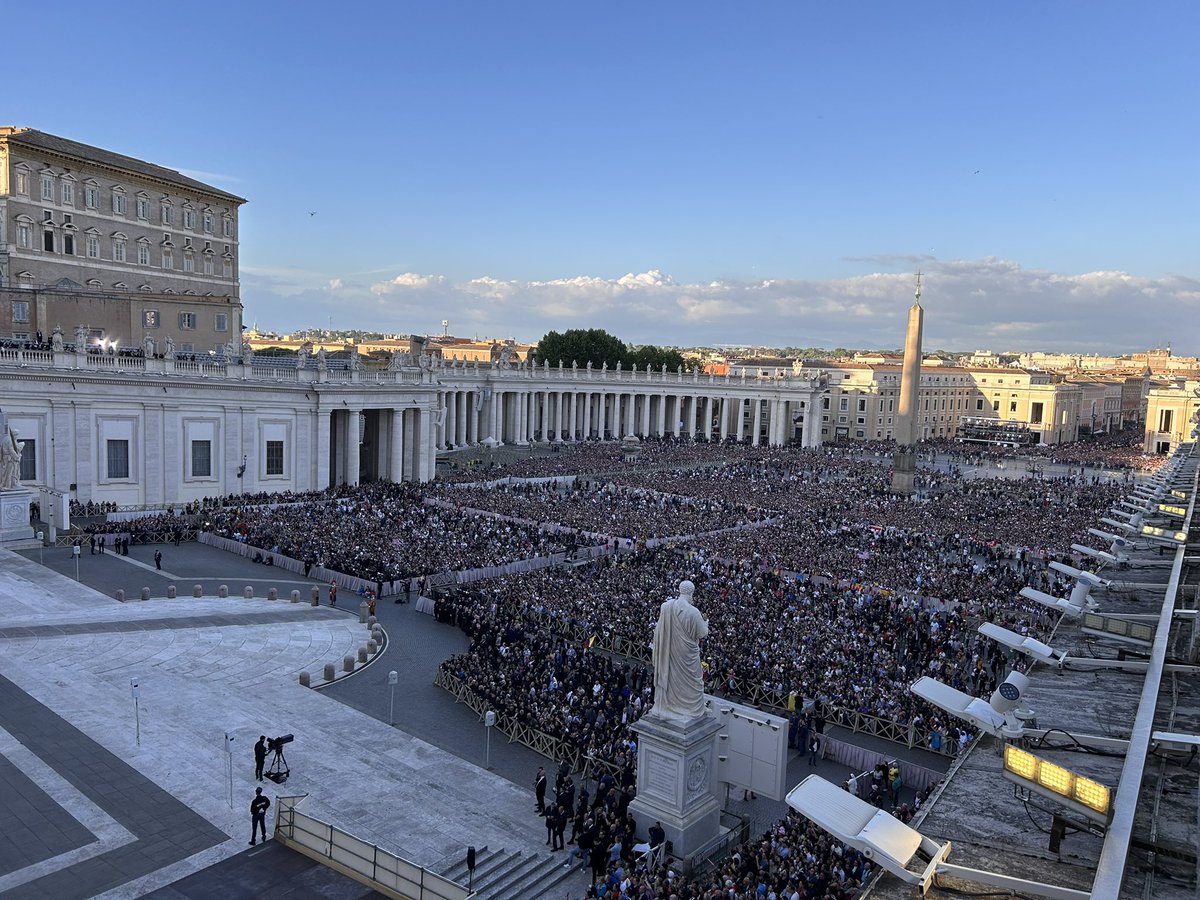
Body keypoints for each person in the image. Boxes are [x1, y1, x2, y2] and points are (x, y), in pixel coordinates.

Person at [650, 580, 709, 722]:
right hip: (687, 655)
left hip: (670, 652)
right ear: (691, 593)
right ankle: (689, 708)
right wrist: (706, 623)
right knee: (694, 683)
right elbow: (702, 634)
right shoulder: (694, 612)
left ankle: (672, 706)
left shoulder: (667, 607)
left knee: (672, 677)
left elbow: (658, 631)